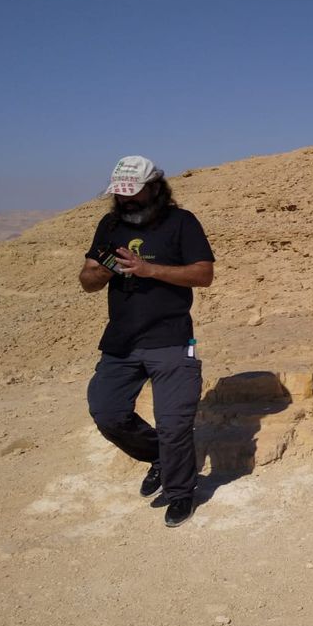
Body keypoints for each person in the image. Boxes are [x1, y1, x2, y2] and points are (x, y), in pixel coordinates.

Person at [80, 156, 215, 528]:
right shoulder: (109, 225)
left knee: (173, 423)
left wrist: (148, 269)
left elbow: (204, 274)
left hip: (171, 337)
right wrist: (99, 273)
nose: (126, 201)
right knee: (106, 412)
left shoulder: (181, 223)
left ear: (154, 187)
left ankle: (180, 491)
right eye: (120, 195)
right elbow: (87, 282)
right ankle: (159, 456)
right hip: (121, 341)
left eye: (132, 194)